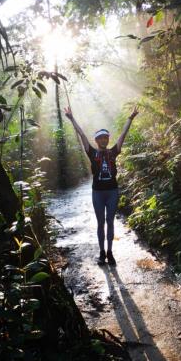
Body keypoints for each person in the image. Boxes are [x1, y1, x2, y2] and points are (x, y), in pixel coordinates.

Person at [64, 105, 139, 265]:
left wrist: (130, 118)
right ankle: (101, 252)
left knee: (110, 222)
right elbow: (82, 134)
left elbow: (123, 134)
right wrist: (71, 118)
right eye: (101, 138)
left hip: (112, 192)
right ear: (97, 141)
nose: (104, 140)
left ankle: (110, 252)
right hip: (97, 193)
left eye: (106, 137)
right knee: (100, 223)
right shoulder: (92, 152)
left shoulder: (113, 152)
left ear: (107, 139)